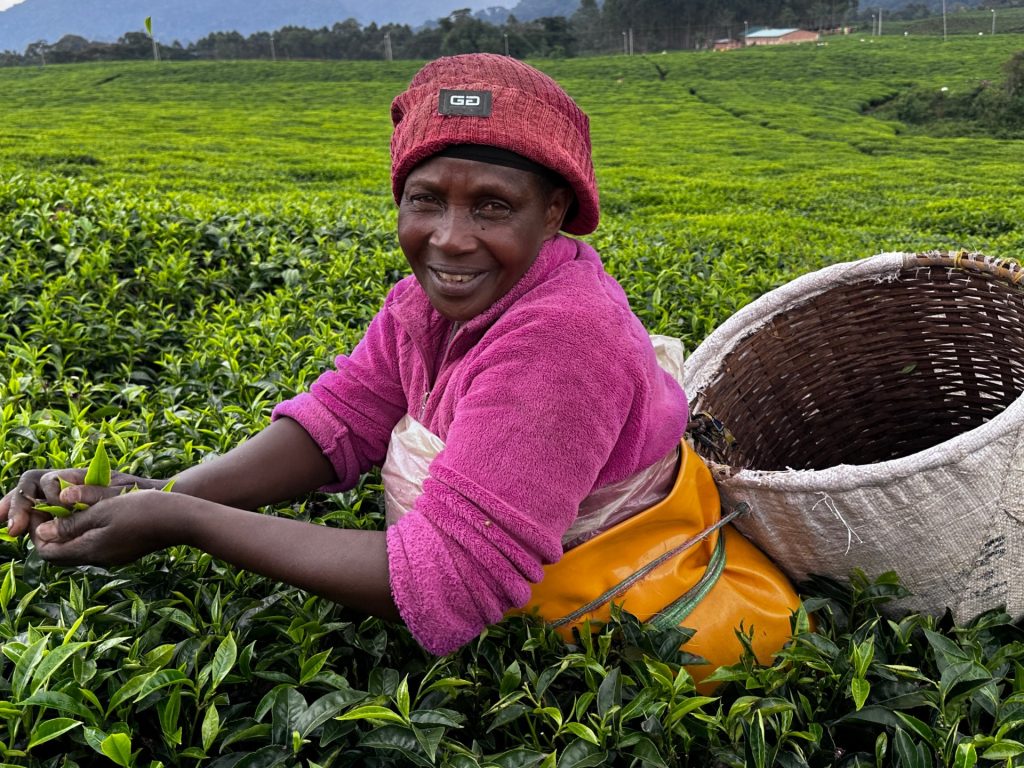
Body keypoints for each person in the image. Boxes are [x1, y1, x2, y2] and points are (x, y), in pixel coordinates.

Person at [1, 54, 799, 679]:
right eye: (426, 200)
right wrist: (151, 493)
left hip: (609, 626)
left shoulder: (564, 339)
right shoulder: (426, 304)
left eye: (493, 205)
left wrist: (183, 523)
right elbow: (338, 424)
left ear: (554, 211)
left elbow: (447, 586)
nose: (449, 239)